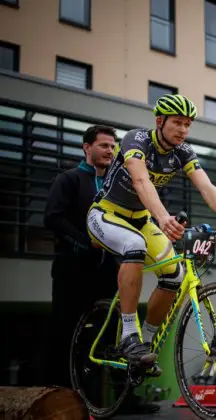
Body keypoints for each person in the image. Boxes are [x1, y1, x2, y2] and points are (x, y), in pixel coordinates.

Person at [86, 94, 216, 369]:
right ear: (160, 121)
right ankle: (129, 334)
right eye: (177, 123)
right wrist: (163, 218)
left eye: (188, 124)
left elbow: (207, 188)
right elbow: (141, 180)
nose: (183, 130)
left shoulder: (183, 152)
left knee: (174, 276)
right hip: (106, 214)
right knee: (134, 246)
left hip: (141, 219)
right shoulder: (136, 140)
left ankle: (147, 343)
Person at [44, 125, 118, 388]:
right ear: (87, 147)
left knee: (113, 334)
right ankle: (61, 395)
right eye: (104, 145)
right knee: (66, 334)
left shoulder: (115, 185)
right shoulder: (69, 179)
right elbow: (53, 218)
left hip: (107, 270)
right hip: (72, 269)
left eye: (113, 145)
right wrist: (85, 242)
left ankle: (121, 399)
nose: (110, 150)